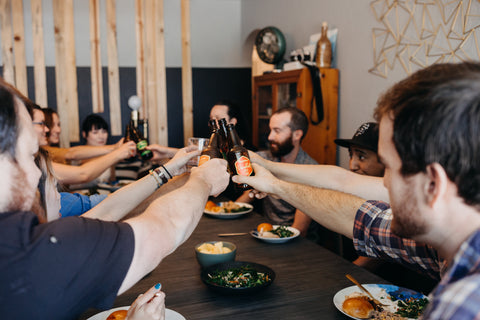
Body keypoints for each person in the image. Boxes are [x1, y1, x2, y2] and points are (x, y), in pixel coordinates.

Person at [234, 62, 480, 317]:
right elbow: (358, 214)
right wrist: (272, 179)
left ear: (433, 184)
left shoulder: (461, 305)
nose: (384, 182)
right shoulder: (446, 237)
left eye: (389, 167)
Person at [0, 77, 230, 318]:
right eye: (28, 155)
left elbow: (105, 212)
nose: (35, 172)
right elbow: (167, 226)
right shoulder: (38, 252)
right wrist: (203, 181)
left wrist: (169, 171)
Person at [237, 107, 317, 236]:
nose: (270, 137)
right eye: (270, 130)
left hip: (297, 241)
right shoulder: (265, 158)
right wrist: (226, 211)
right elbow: (248, 195)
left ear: (297, 135)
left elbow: (299, 230)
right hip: (264, 231)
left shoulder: (310, 171)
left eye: (277, 131)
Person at [42, 107, 126, 164]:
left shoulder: (53, 152)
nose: (58, 130)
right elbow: (71, 154)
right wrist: (114, 148)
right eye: (52, 125)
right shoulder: (45, 152)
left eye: (59, 125)